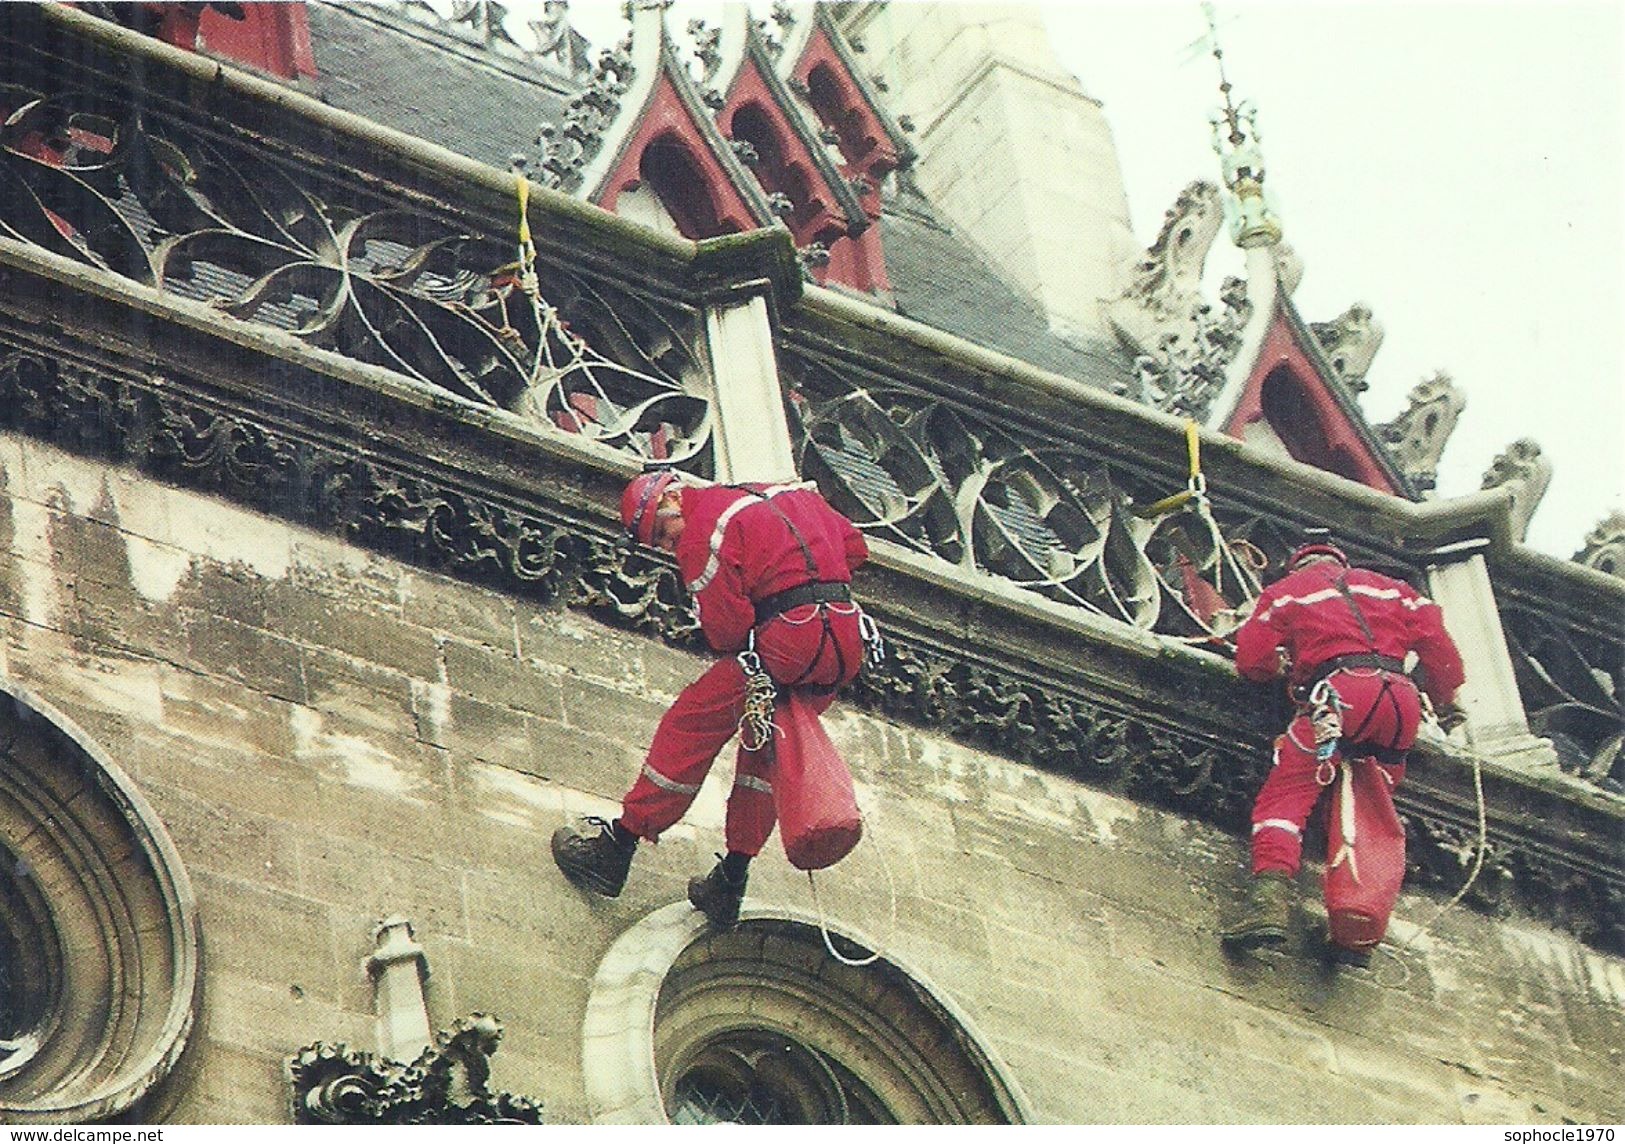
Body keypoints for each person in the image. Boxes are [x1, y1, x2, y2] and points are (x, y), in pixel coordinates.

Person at [551, 470, 878, 927]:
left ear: (674, 498)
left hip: (787, 643)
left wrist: (776, 606)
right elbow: (856, 549)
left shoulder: (704, 531)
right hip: (843, 644)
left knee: (690, 726)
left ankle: (617, 848)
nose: (669, 548)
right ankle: (730, 882)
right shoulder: (790, 493)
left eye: (664, 534)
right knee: (765, 746)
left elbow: (726, 630)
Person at [1222, 533, 1465, 962]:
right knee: (1370, 808)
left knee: (1285, 799)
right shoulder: (1396, 590)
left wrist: (1285, 670)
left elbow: (1251, 661)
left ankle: (1269, 905)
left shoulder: (1284, 593)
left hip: (1338, 697)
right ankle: (1355, 933)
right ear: (1341, 560)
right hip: (1399, 704)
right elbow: (1444, 657)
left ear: (1298, 566)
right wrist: (1443, 700)